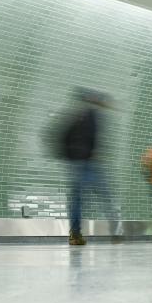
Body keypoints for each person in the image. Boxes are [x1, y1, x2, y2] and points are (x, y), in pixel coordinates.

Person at [61, 90, 121, 246]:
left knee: (77, 200)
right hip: (89, 163)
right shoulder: (93, 115)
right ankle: (116, 230)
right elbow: (93, 139)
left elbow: (63, 137)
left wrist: (71, 156)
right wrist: (92, 153)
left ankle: (75, 234)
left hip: (76, 163)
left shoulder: (74, 118)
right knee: (105, 195)